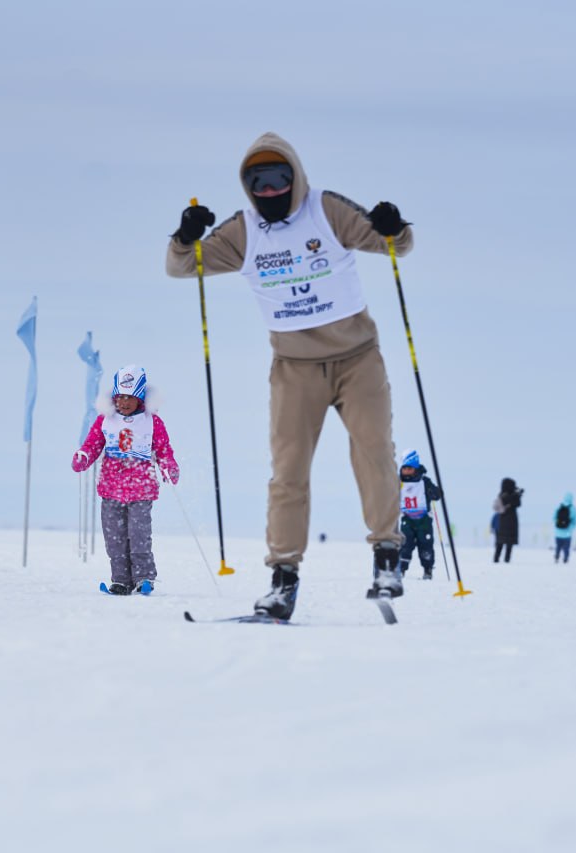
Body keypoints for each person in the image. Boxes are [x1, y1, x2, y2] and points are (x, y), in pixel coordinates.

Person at [164, 131, 413, 619]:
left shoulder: (327, 210)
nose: (271, 190)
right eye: (259, 182)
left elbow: (394, 245)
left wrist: (392, 226)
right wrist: (184, 237)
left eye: (279, 178)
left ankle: (387, 560)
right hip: (294, 369)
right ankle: (282, 581)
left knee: (374, 453)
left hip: (358, 359)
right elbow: (181, 268)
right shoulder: (244, 232)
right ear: (248, 186)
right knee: (288, 474)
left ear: (294, 177)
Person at [72, 365, 179, 595]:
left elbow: (163, 450)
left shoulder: (152, 422)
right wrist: (83, 457)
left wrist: (169, 467)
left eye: (129, 397)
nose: (123, 402)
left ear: (139, 396)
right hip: (111, 489)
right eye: (119, 397)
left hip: (141, 490)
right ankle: (120, 579)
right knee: (115, 539)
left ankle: (143, 578)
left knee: (139, 536)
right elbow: (92, 445)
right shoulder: (105, 420)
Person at [397, 449, 442, 580]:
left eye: (409, 468)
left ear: (415, 468)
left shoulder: (424, 481)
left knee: (426, 545)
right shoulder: (398, 482)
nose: (406, 471)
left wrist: (435, 492)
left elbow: (437, 495)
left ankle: (428, 569)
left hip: (424, 520)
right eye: (404, 468)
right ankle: (401, 569)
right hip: (407, 519)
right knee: (405, 545)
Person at [493, 478, 522, 563]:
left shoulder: (501, 495)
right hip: (511, 521)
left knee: (500, 542)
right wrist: (517, 495)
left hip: (502, 522)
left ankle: (496, 559)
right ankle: (506, 560)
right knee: (508, 543)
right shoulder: (512, 495)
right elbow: (518, 504)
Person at [554, 493, 576, 563]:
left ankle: (557, 556)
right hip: (567, 533)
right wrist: (570, 529)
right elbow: (575, 522)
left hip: (558, 532)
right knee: (566, 548)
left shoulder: (559, 507)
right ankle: (565, 559)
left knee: (558, 546)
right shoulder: (573, 509)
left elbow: (554, 518)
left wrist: (558, 526)